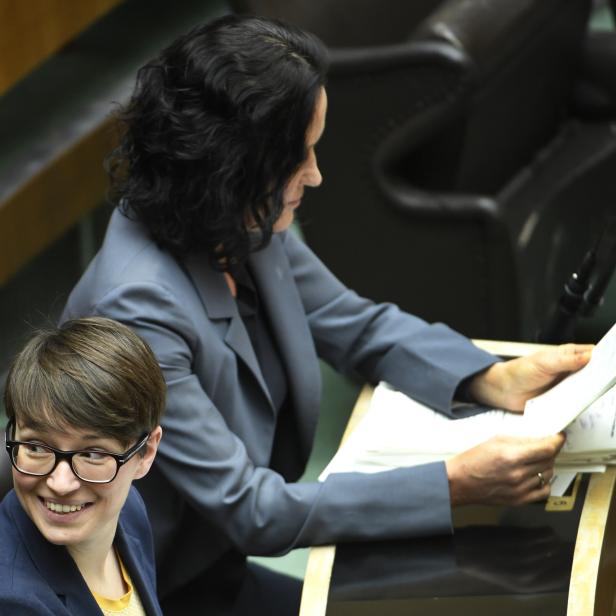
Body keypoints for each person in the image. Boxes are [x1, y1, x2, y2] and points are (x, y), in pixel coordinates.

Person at [61, 14, 593, 615]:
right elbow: (249, 507)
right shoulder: (138, 311)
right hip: (148, 595)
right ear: (233, 168)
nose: (315, 175)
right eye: (301, 158)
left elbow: (353, 323)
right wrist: (456, 483)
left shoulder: (230, 218)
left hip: (214, 569)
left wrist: (489, 376)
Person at [0, 317, 165, 616]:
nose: (60, 483)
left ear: (146, 453)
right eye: (36, 448)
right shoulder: (13, 603)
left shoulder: (128, 509)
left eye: (93, 454)